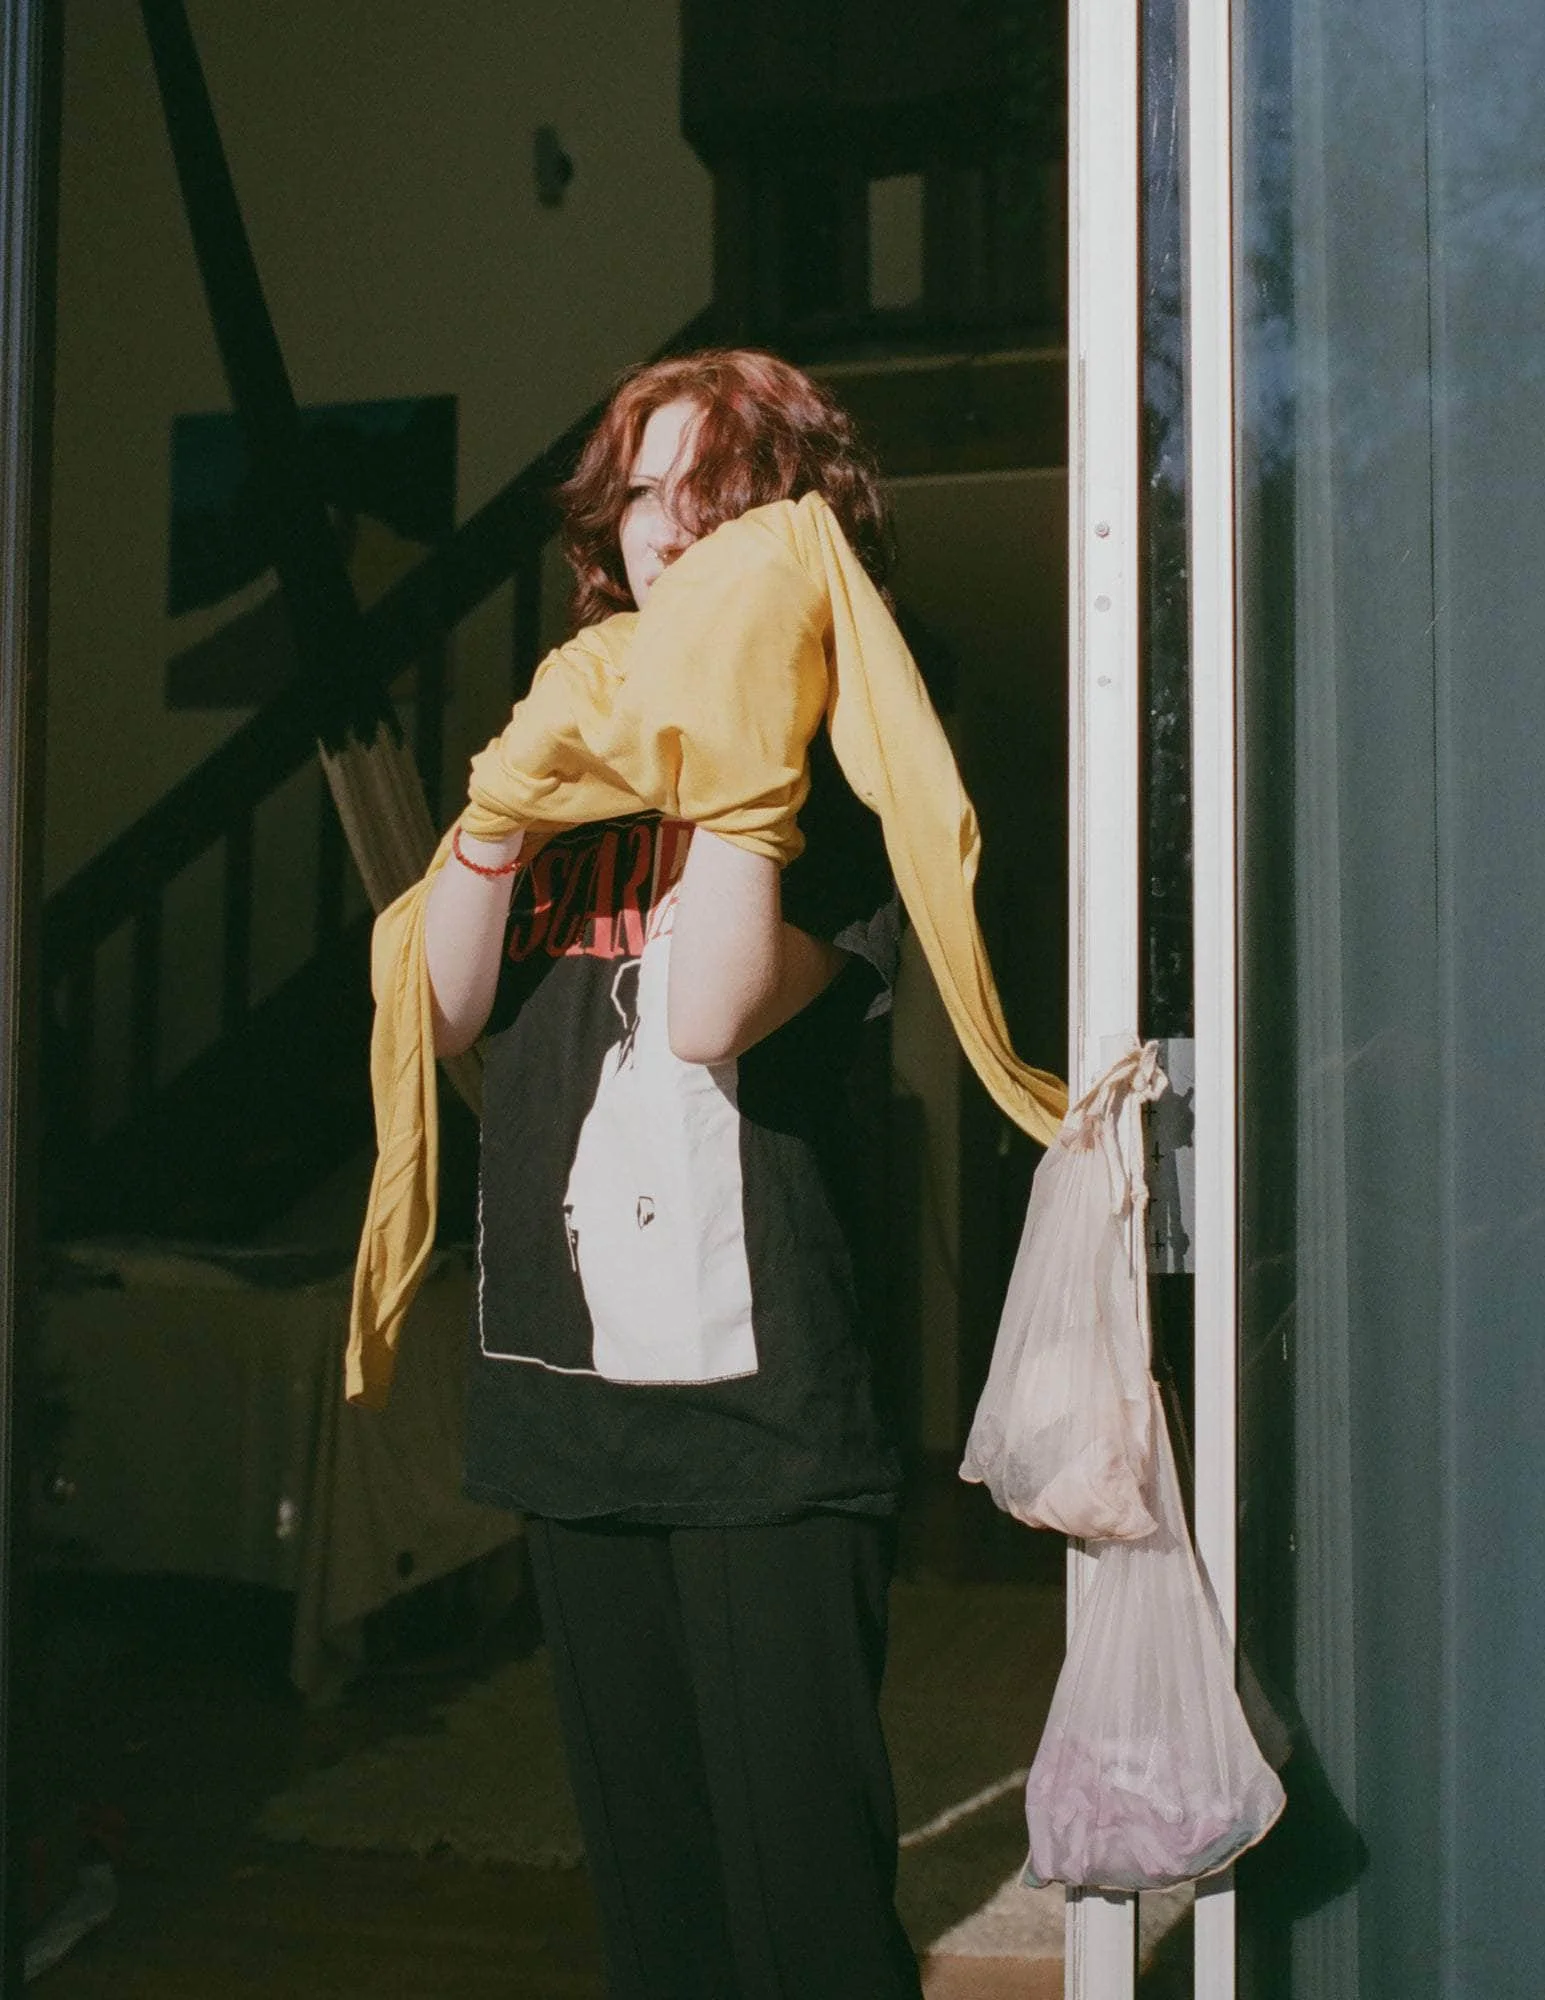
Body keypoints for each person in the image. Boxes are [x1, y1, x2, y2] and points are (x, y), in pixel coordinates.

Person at [422, 349, 924, 1999]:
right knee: (664, 1933)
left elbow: (707, 1014)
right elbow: (442, 1010)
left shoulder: (838, 778)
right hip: (572, 1413)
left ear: (796, 521)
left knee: (812, 1928)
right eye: (642, 489)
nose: (668, 521)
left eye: (714, 488)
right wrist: (501, 805)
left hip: (766, 1435)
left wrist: (741, 724)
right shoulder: (573, 749)